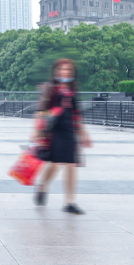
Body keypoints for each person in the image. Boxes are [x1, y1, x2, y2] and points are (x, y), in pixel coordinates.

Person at [33, 59, 92, 215]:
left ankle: (70, 202)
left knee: (71, 166)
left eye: (68, 70)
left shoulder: (72, 90)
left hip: (70, 132)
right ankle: (42, 186)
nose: (65, 72)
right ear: (56, 71)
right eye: (62, 69)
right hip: (54, 132)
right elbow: (40, 111)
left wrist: (83, 133)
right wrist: (36, 131)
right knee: (54, 164)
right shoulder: (51, 89)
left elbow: (77, 114)